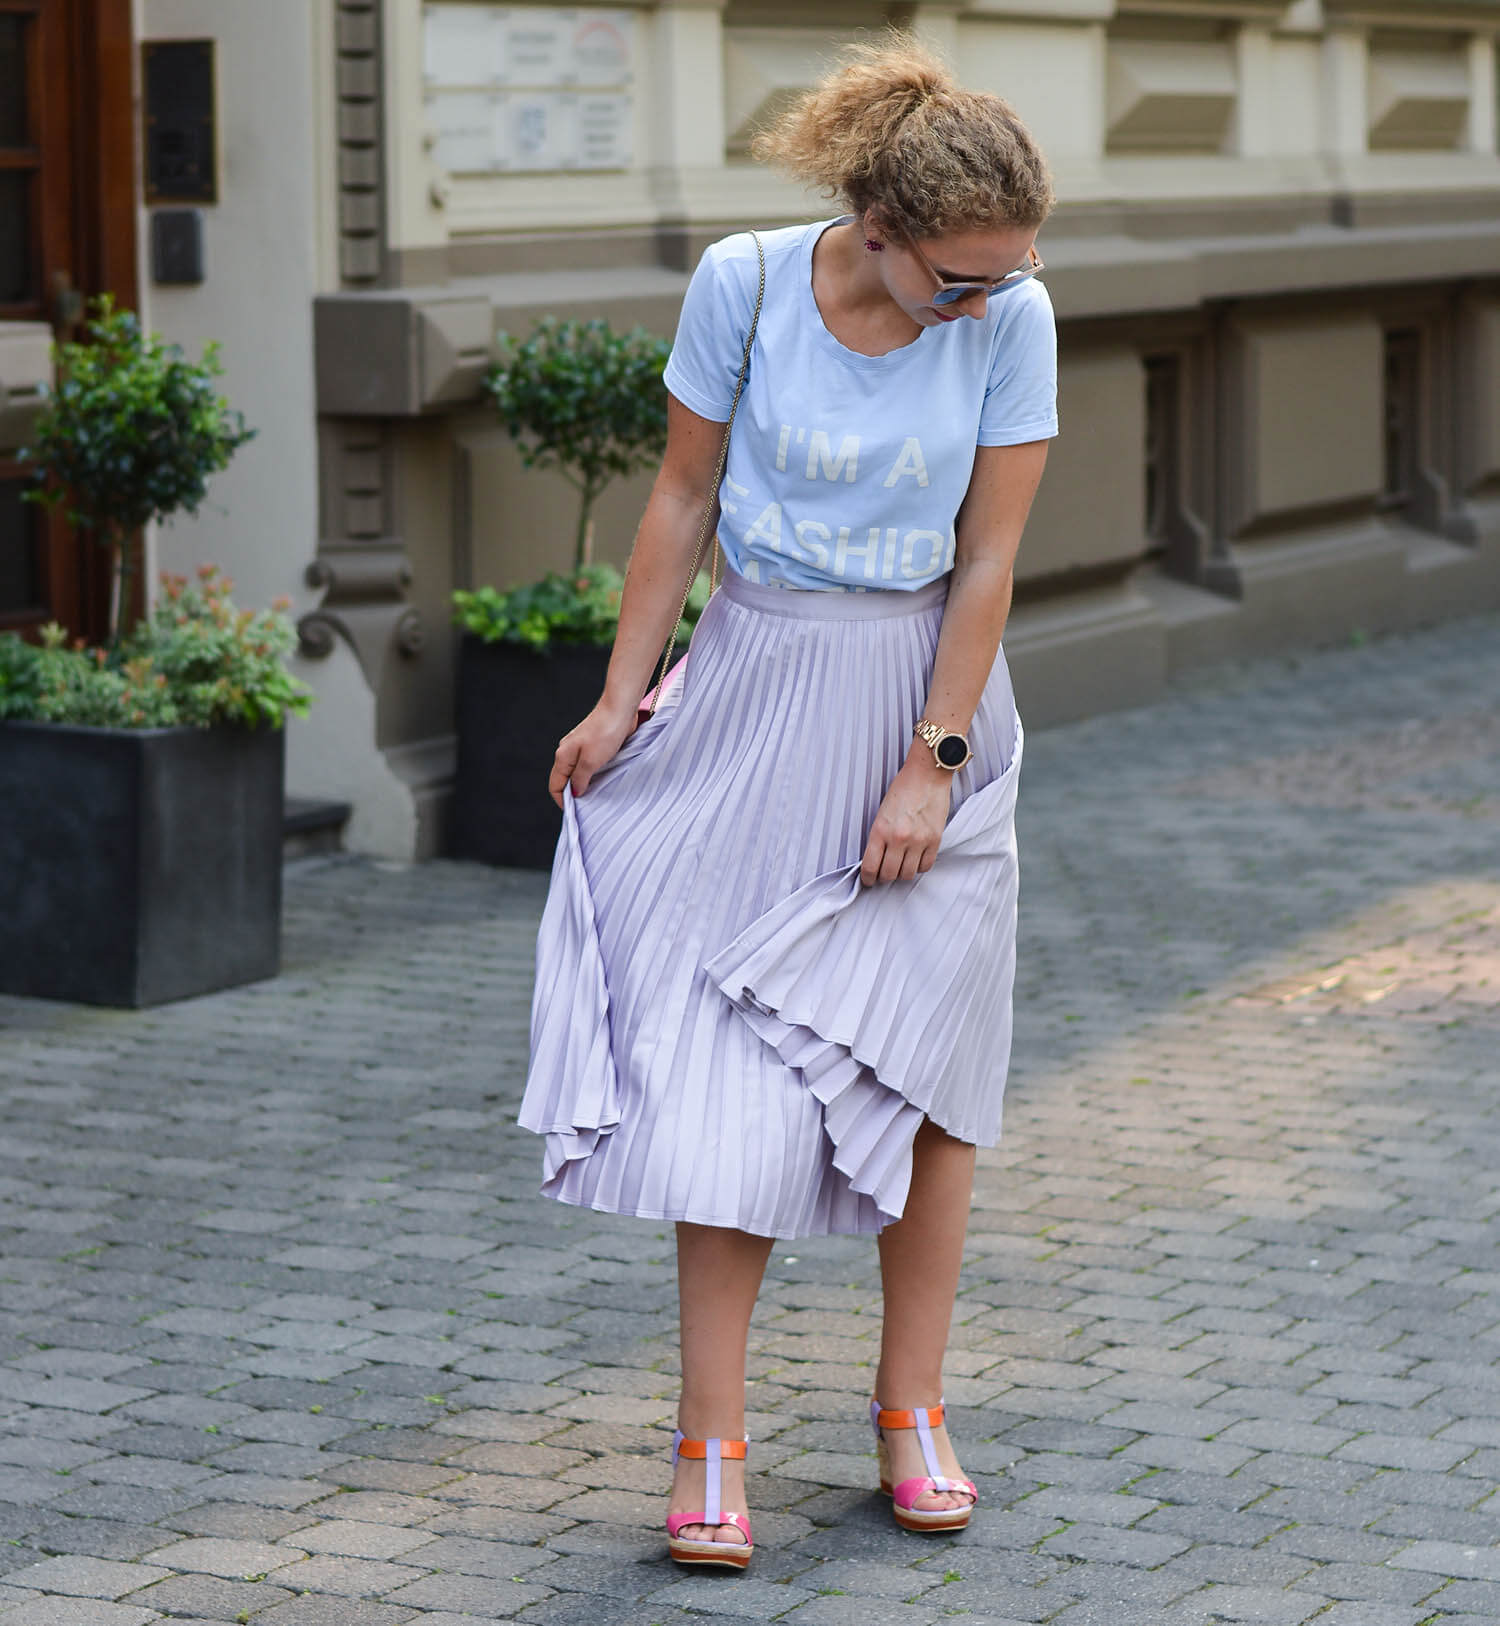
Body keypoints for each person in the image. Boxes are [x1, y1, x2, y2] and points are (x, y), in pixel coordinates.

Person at [518, 32, 1057, 1570]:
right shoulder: (745, 284)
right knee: (726, 1067)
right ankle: (710, 1438)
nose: (984, 298)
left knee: (934, 1072)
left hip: (930, 706)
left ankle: (913, 1410)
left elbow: (990, 560)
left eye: (1008, 275)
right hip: (754, 690)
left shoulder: (1012, 312)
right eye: (959, 276)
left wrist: (931, 761)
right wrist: (626, 695)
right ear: (877, 226)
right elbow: (681, 497)